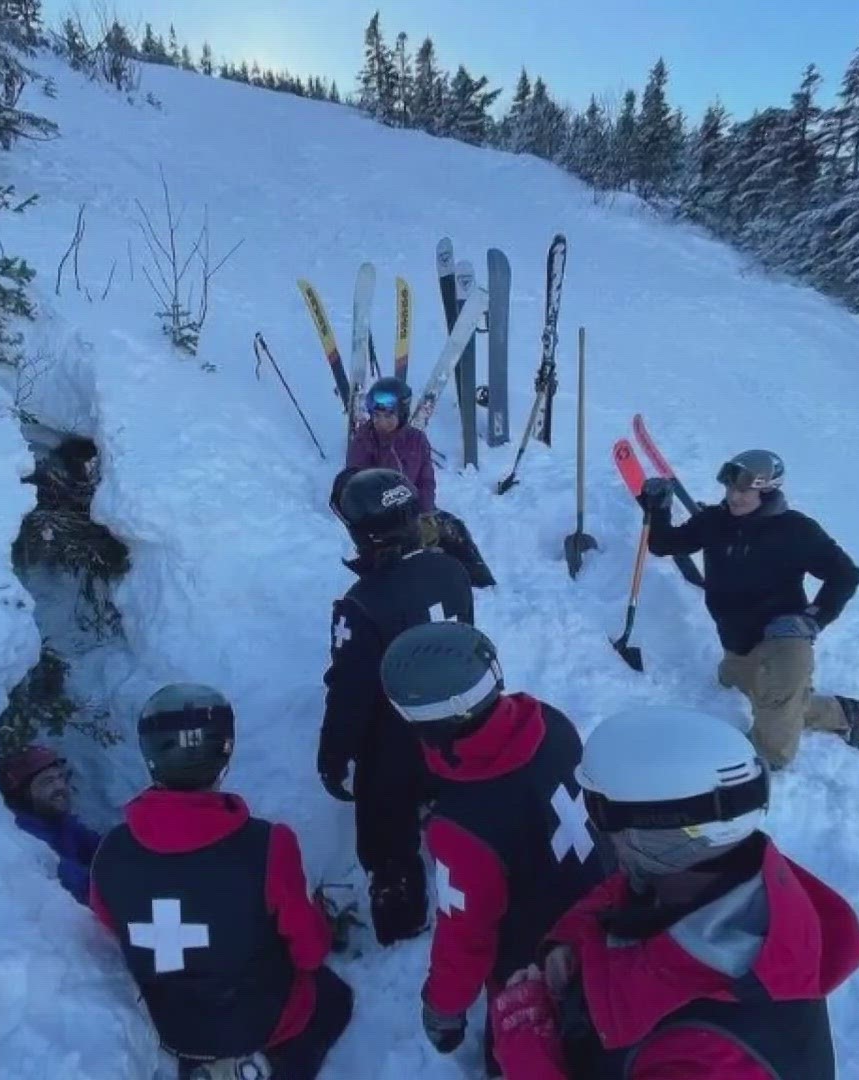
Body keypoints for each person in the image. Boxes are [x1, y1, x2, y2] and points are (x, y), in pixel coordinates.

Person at [487, 706, 859, 1079]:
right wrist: (572, 942)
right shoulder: (718, 876)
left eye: (602, 812)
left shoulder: (717, 1059)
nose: (599, 830)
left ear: (663, 836)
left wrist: (526, 1053)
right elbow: (626, 894)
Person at [380, 622, 611, 1077]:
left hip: (535, 961)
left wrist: (443, 1007)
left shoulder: (462, 825)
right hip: (604, 908)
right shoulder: (551, 723)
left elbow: (465, 935)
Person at [89, 684, 354, 1080]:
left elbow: (108, 930)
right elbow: (310, 952)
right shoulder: (267, 844)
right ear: (224, 753)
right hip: (260, 1023)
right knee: (334, 997)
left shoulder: (112, 850)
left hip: (171, 1029)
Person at [637, 448, 859, 769]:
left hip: (784, 641)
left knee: (771, 746)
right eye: (730, 488)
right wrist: (658, 508)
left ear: (767, 490)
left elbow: (846, 574)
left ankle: (761, 770)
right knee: (756, 698)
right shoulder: (714, 522)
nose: (733, 497)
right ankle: (849, 714)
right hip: (739, 642)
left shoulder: (795, 530)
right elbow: (665, 544)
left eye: (743, 490)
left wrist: (814, 619)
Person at [319, 467, 476, 946]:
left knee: (380, 800)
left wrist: (332, 758)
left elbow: (351, 692)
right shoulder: (451, 568)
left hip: (403, 735)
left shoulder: (362, 603)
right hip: (463, 716)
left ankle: (399, 897)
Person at [344, 376, 497, 588]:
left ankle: (480, 583)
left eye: (388, 416)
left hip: (413, 512)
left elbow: (426, 479)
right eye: (376, 416)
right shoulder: (364, 442)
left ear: (402, 414)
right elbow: (358, 484)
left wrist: (425, 512)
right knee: (405, 551)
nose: (381, 422)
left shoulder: (416, 440)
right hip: (381, 520)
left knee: (453, 528)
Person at [0, 744, 102, 905]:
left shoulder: (59, 822)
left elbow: (103, 848)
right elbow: (76, 883)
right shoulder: (26, 837)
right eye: (47, 782)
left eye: (60, 778)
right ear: (25, 794)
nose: (60, 787)